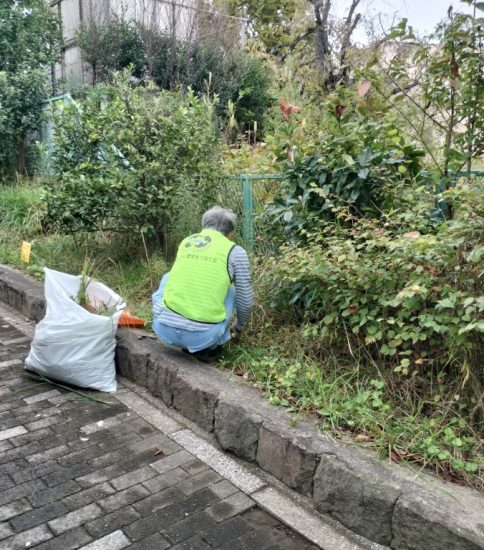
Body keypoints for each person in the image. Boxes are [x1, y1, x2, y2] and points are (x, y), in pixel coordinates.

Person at [152, 206, 254, 362]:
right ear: (230, 233)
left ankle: (166, 316)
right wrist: (238, 327)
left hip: (163, 329)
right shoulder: (235, 251)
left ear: (203, 226)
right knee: (232, 290)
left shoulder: (187, 241)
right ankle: (211, 347)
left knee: (169, 276)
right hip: (203, 337)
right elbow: (245, 300)